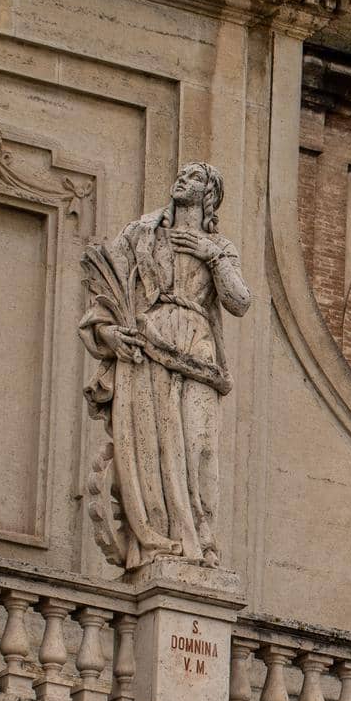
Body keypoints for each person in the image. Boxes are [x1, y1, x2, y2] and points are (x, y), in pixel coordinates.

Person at [79, 162, 251, 571]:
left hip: (198, 354)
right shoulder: (139, 235)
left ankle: (203, 540)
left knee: (200, 447)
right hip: (148, 347)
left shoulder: (220, 247)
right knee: (153, 449)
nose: (182, 179)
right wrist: (109, 336)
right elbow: (104, 295)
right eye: (182, 174)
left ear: (208, 194)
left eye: (194, 177)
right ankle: (167, 541)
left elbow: (239, 301)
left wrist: (212, 256)